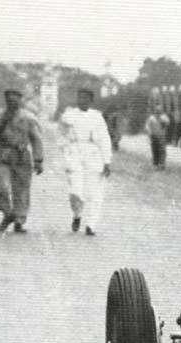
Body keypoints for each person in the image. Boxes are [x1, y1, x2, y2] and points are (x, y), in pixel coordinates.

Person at [0, 88, 44, 233]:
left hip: (22, 155)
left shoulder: (28, 117)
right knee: (1, 186)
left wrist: (38, 159)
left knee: (21, 189)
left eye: (15, 99)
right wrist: (1, 122)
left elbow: (36, 139)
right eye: (9, 99)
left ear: (21, 100)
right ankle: (7, 213)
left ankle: (19, 221)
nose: (12, 102)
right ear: (6, 101)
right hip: (3, 154)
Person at [58, 88, 112, 236]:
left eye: (86, 98)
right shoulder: (69, 115)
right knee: (75, 191)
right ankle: (77, 214)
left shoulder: (97, 117)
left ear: (91, 100)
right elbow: (61, 134)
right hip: (74, 153)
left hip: (93, 155)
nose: (82, 100)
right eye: (80, 97)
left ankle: (91, 225)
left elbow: (104, 139)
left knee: (95, 192)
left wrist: (107, 161)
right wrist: (66, 148)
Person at [144, 105, 169, 170]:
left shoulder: (164, 117)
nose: (158, 113)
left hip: (162, 136)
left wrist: (165, 123)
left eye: (159, 111)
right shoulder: (151, 118)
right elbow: (147, 126)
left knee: (162, 150)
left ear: (161, 111)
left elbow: (167, 124)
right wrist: (149, 132)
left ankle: (162, 164)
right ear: (155, 111)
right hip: (154, 136)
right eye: (157, 111)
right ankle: (156, 163)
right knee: (155, 150)